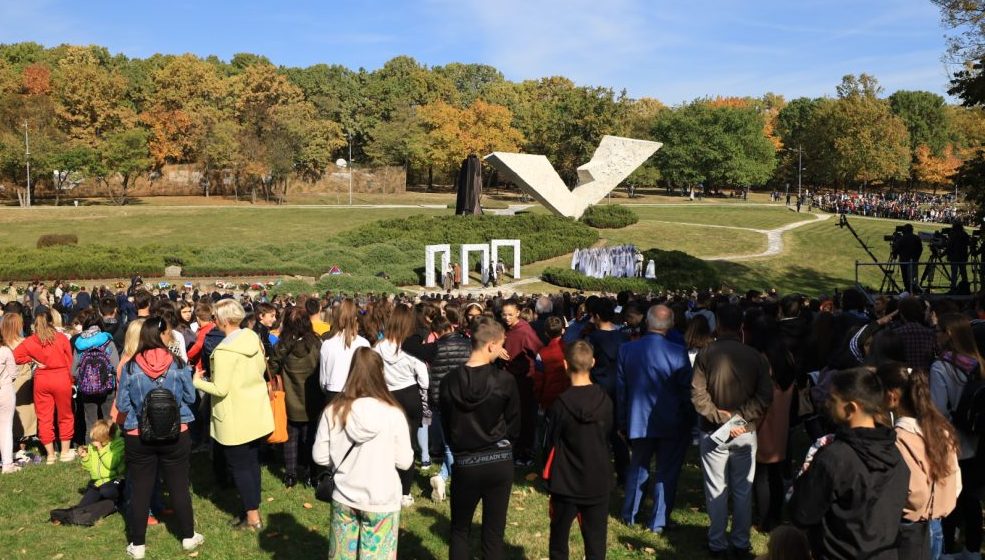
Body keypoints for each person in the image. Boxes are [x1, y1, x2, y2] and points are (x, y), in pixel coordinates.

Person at [790, 368, 910, 560]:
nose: (826, 404)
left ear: (851, 408)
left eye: (833, 400)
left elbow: (802, 513)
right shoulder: (896, 456)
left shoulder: (836, 458)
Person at [312, 347, 413, 559]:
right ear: (381, 374)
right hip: (382, 500)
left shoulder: (333, 411)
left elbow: (320, 457)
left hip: (344, 497)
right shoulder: (393, 414)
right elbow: (404, 462)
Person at [115, 317, 202, 559]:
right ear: (160, 334)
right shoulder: (177, 363)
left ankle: (138, 543)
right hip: (177, 431)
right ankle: (188, 536)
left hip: (138, 433)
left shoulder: (131, 366)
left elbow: (122, 403)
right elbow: (191, 398)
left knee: (141, 488)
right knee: (178, 486)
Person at [691, 304, 773, 559]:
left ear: (718, 324)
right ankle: (739, 541)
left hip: (717, 429)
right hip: (742, 430)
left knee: (716, 488)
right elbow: (764, 396)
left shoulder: (706, 354)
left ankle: (718, 542)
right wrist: (737, 419)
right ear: (740, 326)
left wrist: (722, 418)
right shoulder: (755, 356)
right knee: (742, 489)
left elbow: (698, 393)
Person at [441, 317, 520, 560]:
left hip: (467, 462)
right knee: (493, 534)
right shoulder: (505, 380)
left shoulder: (449, 381)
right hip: (498, 462)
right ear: (490, 345)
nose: (502, 351)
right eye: (501, 345)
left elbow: (446, 424)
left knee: (460, 530)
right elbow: (515, 424)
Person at [194, 299, 274, 531]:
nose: (214, 321)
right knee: (251, 464)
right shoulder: (252, 338)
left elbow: (220, 388)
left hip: (234, 415)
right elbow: (259, 370)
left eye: (216, 317)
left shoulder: (225, 351)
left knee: (241, 467)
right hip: (253, 409)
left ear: (224, 320)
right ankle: (252, 509)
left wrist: (198, 382)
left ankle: (252, 517)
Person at [617, 304, 693, 534]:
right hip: (671, 419)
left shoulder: (627, 350)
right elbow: (686, 392)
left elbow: (621, 391)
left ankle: (630, 513)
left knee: (638, 466)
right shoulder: (677, 351)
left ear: (648, 322)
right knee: (666, 471)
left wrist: (621, 420)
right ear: (669, 324)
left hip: (639, 418)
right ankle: (657, 521)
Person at [877, 362, 960, 560]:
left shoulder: (899, 438)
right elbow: (956, 481)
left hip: (909, 529)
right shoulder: (941, 429)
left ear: (891, 396)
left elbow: (915, 493)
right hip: (937, 522)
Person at [542, 340, 613, 560]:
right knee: (596, 542)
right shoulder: (606, 400)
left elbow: (549, 442)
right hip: (597, 478)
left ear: (565, 365)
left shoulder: (560, 405)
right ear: (592, 362)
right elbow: (608, 434)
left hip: (566, 481)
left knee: (559, 541)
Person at [929, 313, 984, 559]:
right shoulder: (978, 363)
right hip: (977, 439)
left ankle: (948, 549)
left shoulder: (941, 367)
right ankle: (973, 548)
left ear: (948, 334)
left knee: (949, 500)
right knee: (971, 498)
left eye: (938, 330)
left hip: (951, 443)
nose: (935, 335)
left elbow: (938, 411)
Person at [374, 304, 429, 506]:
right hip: (410, 394)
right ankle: (405, 492)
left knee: (387, 442)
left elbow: (374, 370)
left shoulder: (379, 346)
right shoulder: (411, 347)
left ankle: (389, 486)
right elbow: (424, 377)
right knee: (409, 444)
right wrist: (423, 390)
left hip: (388, 395)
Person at [270, 306, 324, 488]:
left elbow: (271, 368)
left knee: (291, 439)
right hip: (312, 398)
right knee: (311, 438)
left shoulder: (282, 345)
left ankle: (291, 474)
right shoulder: (316, 344)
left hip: (290, 399)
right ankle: (311, 474)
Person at [14, 309, 75, 464]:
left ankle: (50, 455)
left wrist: (32, 359)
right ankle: (65, 451)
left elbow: (15, 356)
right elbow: (70, 361)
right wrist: (71, 380)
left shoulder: (31, 340)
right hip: (61, 377)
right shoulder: (61, 338)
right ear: (51, 321)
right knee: (65, 415)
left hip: (42, 379)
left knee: (44, 417)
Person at [426, 315, 471, 502]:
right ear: (451, 328)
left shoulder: (433, 349)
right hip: (464, 398)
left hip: (442, 399)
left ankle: (444, 477)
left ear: (436, 333)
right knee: (462, 443)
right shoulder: (467, 345)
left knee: (448, 445)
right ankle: (454, 479)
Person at [501, 300, 543, 466]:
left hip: (524, 381)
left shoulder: (524, 331)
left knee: (525, 418)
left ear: (518, 313)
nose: (506, 318)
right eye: (504, 314)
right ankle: (516, 449)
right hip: (510, 379)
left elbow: (539, 351)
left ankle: (526, 453)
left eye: (510, 314)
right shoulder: (506, 329)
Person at [320, 299, 370, 402]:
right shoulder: (364, 343)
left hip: (333, 395)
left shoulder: (327, 344)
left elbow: (323, 381)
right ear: (356, 318)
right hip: (357, 395)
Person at [75, 419, 125, 508]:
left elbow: (111, 464)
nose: (93, 442)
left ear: (104, 437)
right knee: (83, 505)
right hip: (98, 482)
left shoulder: (118, 444)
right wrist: (85, 457)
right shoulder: (93, 446)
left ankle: (119, 500)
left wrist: (101, 449)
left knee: (106, 491)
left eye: (96, 439)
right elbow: (90, 469)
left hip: (114, 479)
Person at [0, 313, 22, 473]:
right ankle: (7, 463)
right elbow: (14, 374)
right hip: (5, 390)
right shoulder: (5, 351)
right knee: (5, 427)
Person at [896, 224, 923, 293]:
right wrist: (917, 258)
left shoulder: (902, 238)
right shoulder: (916, 238)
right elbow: (920, 249)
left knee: (906, 278)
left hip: (904, 261)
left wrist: (895, 254)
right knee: (913, 278)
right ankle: (912, 290)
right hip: (913, 261)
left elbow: (897, 249)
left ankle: (908, 291)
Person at [946, 222, 971, 294]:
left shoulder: (953, 234)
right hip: (963, 257)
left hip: (954, 257)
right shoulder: (964, 234)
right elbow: (969, 243)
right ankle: (965, 287)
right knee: (963, 272)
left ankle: (953, 288)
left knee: (954, 273)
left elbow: (949, 245)